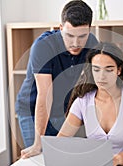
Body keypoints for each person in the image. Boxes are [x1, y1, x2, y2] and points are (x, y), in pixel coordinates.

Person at [22, 42, 123, 166]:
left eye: (109, 70)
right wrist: (40, 147)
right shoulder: (83, 101)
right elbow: (61, 141)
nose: (102, 76)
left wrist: (116, 160)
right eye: (96, 69)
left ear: (119, 70)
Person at [16, 0, 98, 154]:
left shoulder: (92, 43)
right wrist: (37, 143)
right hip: (34, 109)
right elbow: (45, 95)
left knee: (62, 157)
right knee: (39, 156)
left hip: (63, 108)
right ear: (60, 28)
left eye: (82, 36)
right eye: (69, 35)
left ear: (89, 30)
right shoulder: (44, 46)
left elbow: (96, 83)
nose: (75, 43)